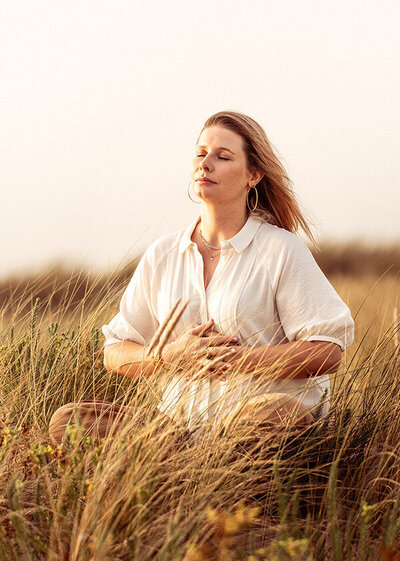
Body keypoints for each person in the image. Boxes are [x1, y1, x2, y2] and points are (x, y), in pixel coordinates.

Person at [49, 111, 354, 445]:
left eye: (222, 156)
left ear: (253, 174)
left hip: (253, 424)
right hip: (177, 427)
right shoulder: (163, 254)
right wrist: (168, 355)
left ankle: (218, 475)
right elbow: (114, 351)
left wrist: (239, 359)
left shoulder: (280, 249)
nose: (205, 163)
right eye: (200, 153)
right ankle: (176, 471)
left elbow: (328, 351)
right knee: (71, 421)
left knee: (279, 412)